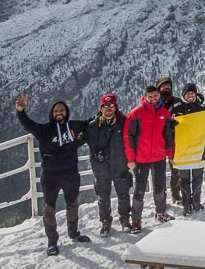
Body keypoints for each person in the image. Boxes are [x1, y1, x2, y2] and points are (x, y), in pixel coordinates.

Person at [14, 94, 91, 255]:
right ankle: (52, 242)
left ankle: (74, 233)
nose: (59, 113)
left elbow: (89, 123)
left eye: (62, 110)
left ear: (66, 112)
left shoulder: (73, 126)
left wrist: (108, 110)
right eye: (56, 110)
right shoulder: (44, 130)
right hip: (50, 175)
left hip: (71, 172)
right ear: (52, 113)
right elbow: (28, 125)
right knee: (49, 209)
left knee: (73, 204)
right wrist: (20, 111)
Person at [123, 86, 175, 233]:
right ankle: (136, 220)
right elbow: (128, 137)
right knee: (139, 189)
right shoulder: (136, 113)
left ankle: (161, 212)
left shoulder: (164, 113)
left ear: (159, 96)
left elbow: (168, 137)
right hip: (141, 158)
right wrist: (130, 158)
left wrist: (170, 155)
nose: (153, 99)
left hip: (158, 156)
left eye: (155, 96)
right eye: (150, 96)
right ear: (145, 97)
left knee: (160, 186)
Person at [82, 94, 130, 235]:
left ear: (116, 107)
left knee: (124, 195)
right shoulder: (92, 126)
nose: (108, 109)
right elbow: (79, 140)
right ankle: (105, 221)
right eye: (105, 106)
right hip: (100, 168)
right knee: (103, 198)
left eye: (111, 106)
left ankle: (125, 219)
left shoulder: (124, 122)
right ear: (100, 108)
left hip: (119, 165)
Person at [170, 83, 205, 214]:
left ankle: (196, 200)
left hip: (199, 148)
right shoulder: (176, 108)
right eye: (187, 93)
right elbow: (167, 128)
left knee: (198, 176)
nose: (190, 95)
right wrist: (171, 125)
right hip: (183, 149)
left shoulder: (203, 108)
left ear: (196, 94)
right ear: (183, 95)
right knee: (184, 178)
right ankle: (186, 203)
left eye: (192, 93)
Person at [155, 76, 183, 203]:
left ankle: (175, 194)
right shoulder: (154, 103)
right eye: (163, 85)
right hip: (157, 141)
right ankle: (160, 198)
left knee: (175, 170)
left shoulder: (177, 101)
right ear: (158, 88)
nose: (166, 87)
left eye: (168, 85)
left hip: (174, 139)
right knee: (158, 173)